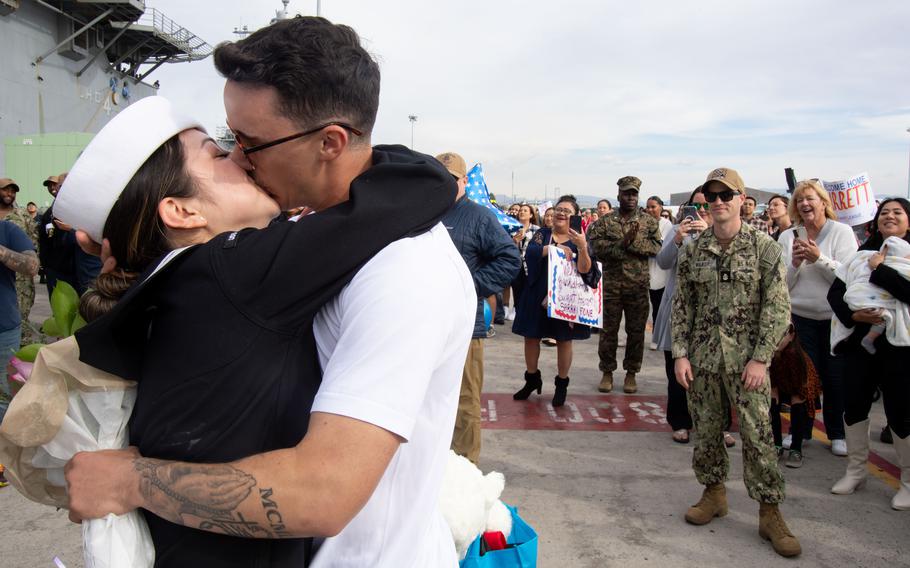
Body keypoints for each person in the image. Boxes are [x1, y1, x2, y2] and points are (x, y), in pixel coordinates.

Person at [62, 18, 474, 568]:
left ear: (330, 142)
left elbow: (321, 493)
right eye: (226, 143)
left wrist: (130, 480)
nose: (240, 157)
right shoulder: (263, 257)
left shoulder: (402, 271)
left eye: (250, 143)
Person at [672, 167, 799, 558]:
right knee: (707, 433)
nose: (718, 202)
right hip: (704, 360)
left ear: (743, 200)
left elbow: (778, 309)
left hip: (748, 364)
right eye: (712, 196)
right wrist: (680, 353)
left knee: (759, 438)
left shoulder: (764, 248)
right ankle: (714, 494)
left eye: (726, 195)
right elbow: (681, 306)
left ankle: (769, 512)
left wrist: (761, 359)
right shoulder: (693, 249)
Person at [436, 151, 520, 465]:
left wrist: (468, 286)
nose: (444, 185)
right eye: (438, 178)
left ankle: (465, 468)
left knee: (465, 401)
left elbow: (510, 259)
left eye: (452, 179)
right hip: (423, 326)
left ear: (463, 182)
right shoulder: (421, 213)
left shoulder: (478, 216)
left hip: (463, 330)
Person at [828, 198, 910, 510]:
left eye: (897, 212)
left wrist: (881, 270)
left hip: (900, 349)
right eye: (884, 213)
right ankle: (855, 471)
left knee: (900, 413)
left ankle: (908, 481)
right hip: (859, 344)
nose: (889, 216)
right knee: (855, 406)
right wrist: (854, 316)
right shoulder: (859, 257)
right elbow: (836, 293)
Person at [778, 180, 857, 457]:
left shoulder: (842, 232)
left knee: (834, 377)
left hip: (834, 319)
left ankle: (837, 432)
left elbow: (849, 277)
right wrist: (797, 264)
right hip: (801, 317)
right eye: (799, 200)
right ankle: (801, 431)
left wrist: (819, 258)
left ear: (823, 202)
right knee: (803, 378)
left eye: (810, 198)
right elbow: (781, 285)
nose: (804, 204)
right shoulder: (788, 237)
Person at [512, 195, 599, 407]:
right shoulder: (543, 234)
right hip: (537, 293)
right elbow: (531, 252)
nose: (561, 213)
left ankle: (562, 384)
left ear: (576, 216)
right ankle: (532, 379)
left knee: (563, 340)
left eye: (567, 211)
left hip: (565, 298)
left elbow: (587, 270)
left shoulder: (581, 239)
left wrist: (582, 248)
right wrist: (553, 249)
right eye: (559, 209)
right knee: (531, 337)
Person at [587, 176, 661, 393]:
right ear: (618, 195)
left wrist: (634, 242)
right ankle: (607, 372)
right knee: (608, 332)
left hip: (637, 286)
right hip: (611, 285)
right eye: (626, 193)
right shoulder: (605, 222)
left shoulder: (648, 222)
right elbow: (597, 247)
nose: (630, 197)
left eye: (634, 194)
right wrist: (622, 244)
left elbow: (657, 247)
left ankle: (631, 373)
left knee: (636, 332)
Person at [0, 178, 38, 344]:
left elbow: (34, 243)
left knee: (21, 314)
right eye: (5, 190)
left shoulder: (22, 216)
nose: (10, 194)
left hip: (20, 279)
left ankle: (21, 348)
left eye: (12, 191)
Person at [645, 195, 673, 350]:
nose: (650, 210)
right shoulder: (641, 223)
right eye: (648, 207)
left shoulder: (666, 224)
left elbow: (662, 246)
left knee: (657, 306)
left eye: (653, 207)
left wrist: (648, 247)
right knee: (640, 307)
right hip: (643, 269)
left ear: (660, 207)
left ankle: (656, 337)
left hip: (660, 271)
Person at [507, 203, 540, 320]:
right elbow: (506, 246)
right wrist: (514, 241)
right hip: (515, 263)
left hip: (530, 264)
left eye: (525, 211)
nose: (522, 212)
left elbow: (538, 247)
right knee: (516, 287)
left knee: (529, 288)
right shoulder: (513, 228)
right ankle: (517, 308)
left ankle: (528, 311)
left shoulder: (537, 230)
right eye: (520, 210)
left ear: (531, 215)